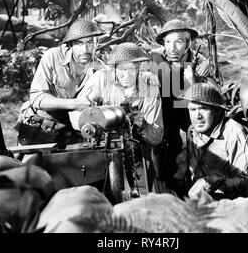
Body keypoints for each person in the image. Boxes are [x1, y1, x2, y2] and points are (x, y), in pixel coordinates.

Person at [69, 42, 164, 193]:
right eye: (122, 69)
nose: (126, 75)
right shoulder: (101, 79)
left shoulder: (149, 82)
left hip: (136, 154)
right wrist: (93, 116)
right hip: (101, 151)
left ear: (139, 68)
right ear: (114, 68)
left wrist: (142, 123)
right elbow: (75, 114)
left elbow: (157, 136)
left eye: (132, 69)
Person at [15, 19, 106, 148]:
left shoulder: (100, 69)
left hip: (72, 132)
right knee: (28, 166)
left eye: (90, 43)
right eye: (79, 43)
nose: (85, 49)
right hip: (40, 127)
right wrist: (75, 104)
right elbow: (37, 97)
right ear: (70, 45)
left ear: (97, 43)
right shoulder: (52, 57)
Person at [148, 19, 214, 196]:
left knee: (199, 145)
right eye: (168, 42)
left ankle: (199, 185)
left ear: (188, 43)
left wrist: (195, 80)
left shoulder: (200, 61)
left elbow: (210, 100)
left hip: (188, 107)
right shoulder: (154, 57)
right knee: (163, 151)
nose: (172, 48)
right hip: (164, 108)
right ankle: (165, 188)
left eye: (178, 42)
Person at [179, 82, 248, 200]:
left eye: (204, 109)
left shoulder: (233, 133)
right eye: (193, 109)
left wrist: (215, 182)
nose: (197, 116)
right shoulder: (192, 131)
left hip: (234, 205)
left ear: (217, 110)